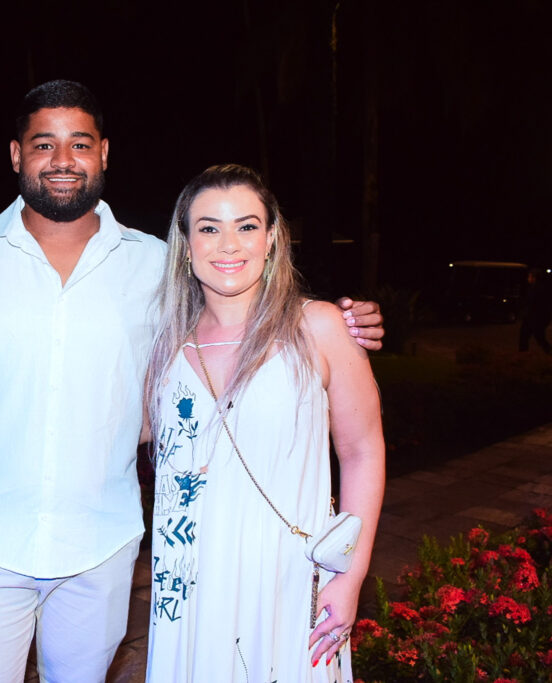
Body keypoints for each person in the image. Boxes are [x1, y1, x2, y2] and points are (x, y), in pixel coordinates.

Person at [0, 80, 384, 682]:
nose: (63, 160)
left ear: (105, 152)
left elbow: (263, 340)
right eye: (44, 144)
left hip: (104, 548)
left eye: (80, 143)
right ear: (16, 155)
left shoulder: (151, 267)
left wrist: (347, 320)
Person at [144, 164, 385, 682]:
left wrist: (352, 575)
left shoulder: (319, 327)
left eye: (247, 226)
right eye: (208, 227)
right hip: (187, 579)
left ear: (272, 238)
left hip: (288, 578)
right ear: (186, 244)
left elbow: (363, 451)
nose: (228, 244)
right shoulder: (165, 344)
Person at [519, 267, 552, 354]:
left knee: (535, 337)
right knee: (529, 336)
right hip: (534, 318)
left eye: (529, 277)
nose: (528, 279)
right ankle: (523, 354)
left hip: (535, 318)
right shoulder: (538, 288)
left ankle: (550, 353)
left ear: (534, 278)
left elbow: (533, 304)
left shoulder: (537, 289)